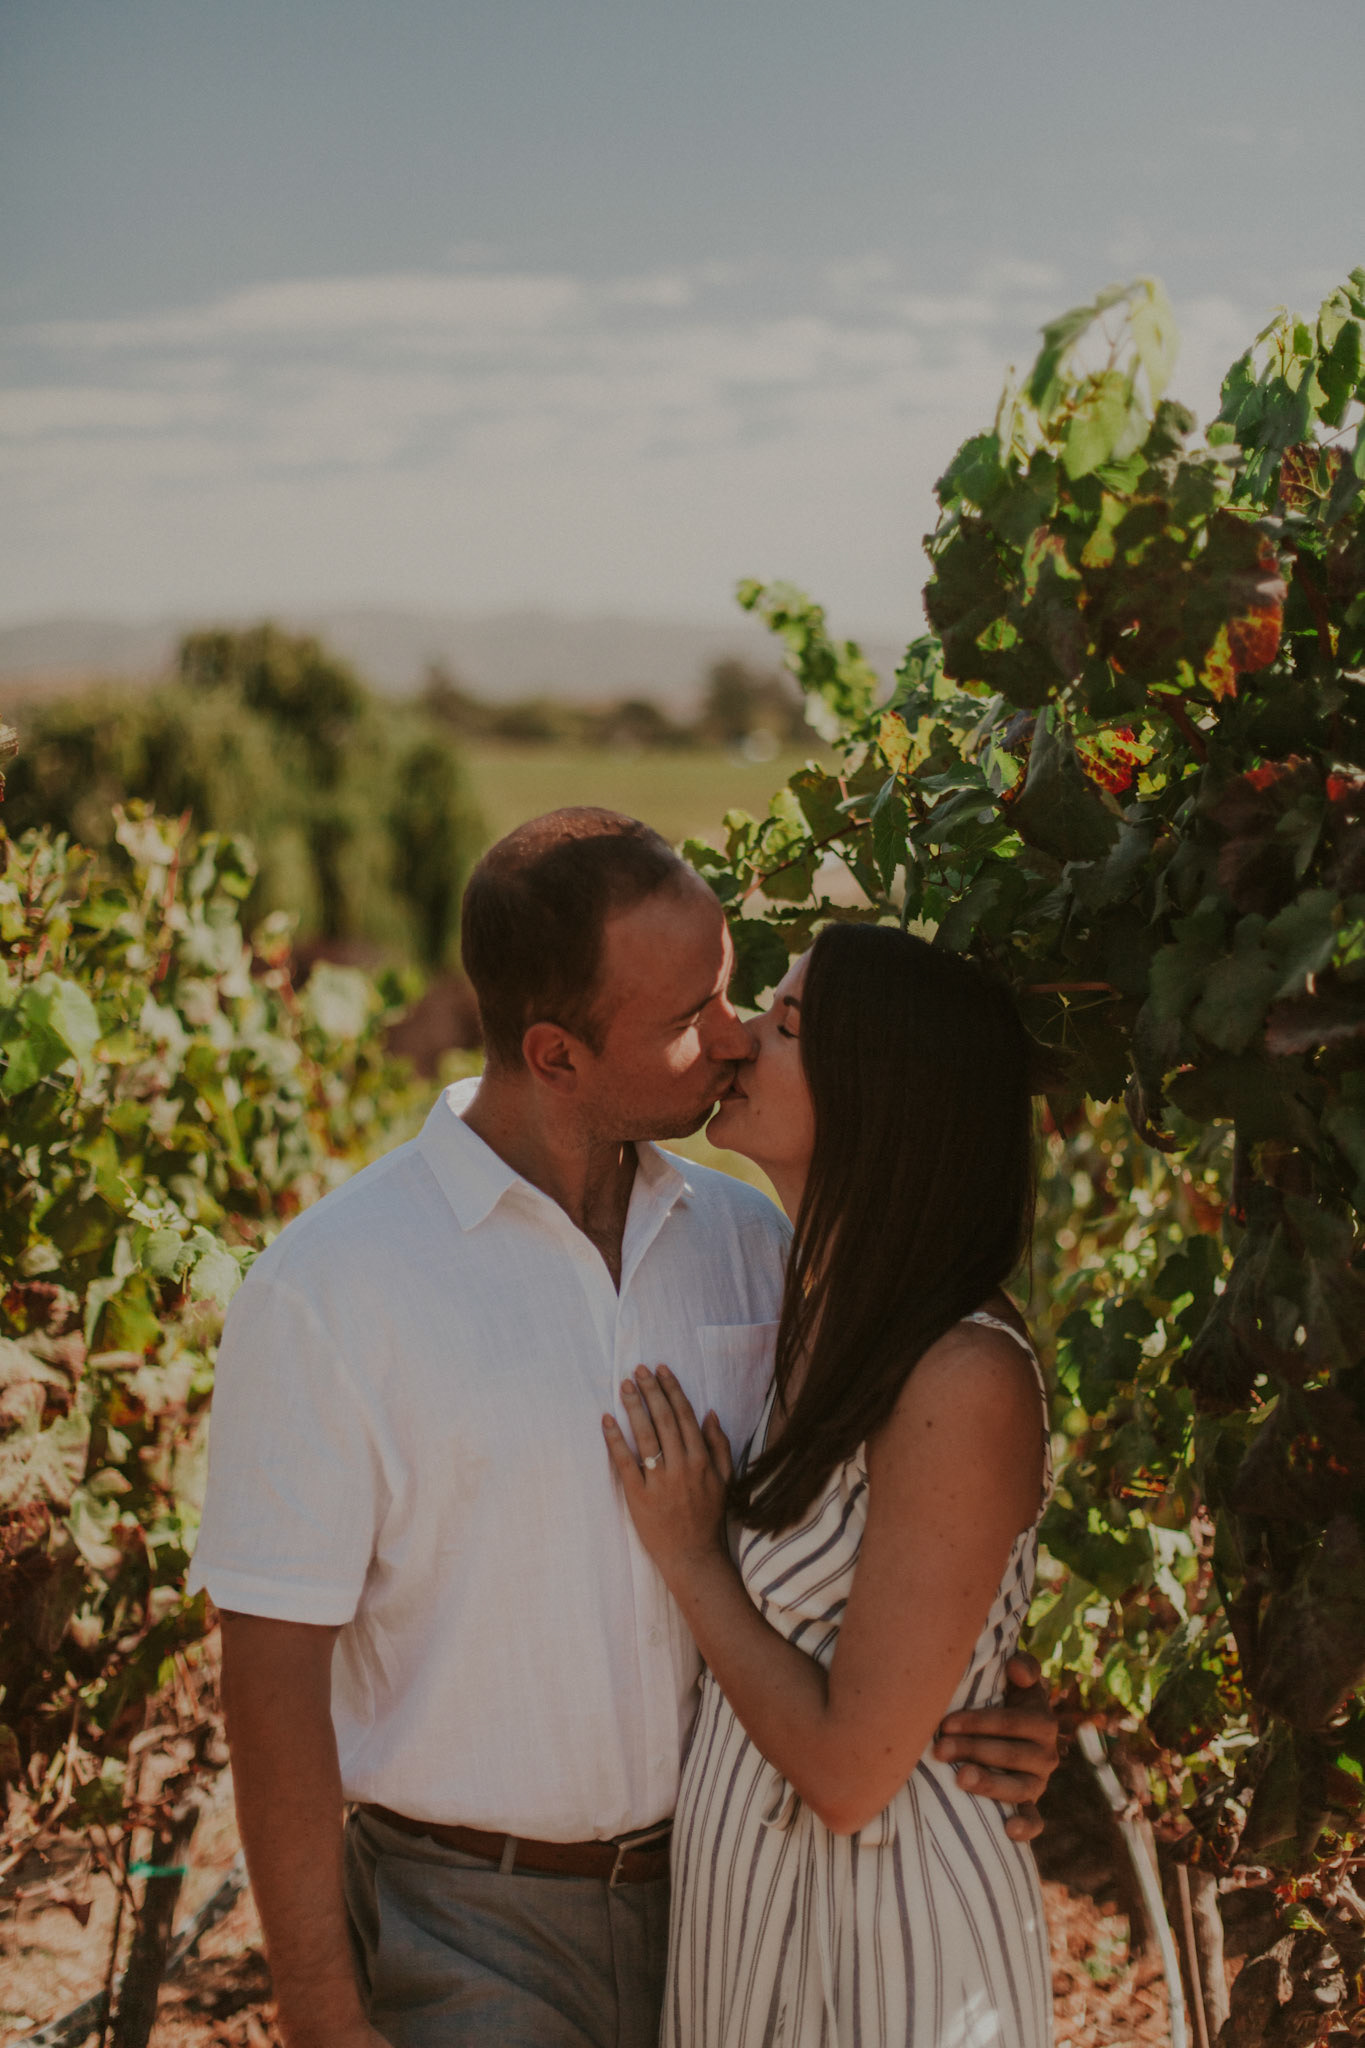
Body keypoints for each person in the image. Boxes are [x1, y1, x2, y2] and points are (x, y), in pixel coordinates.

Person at [189, 809, 1060, 2048]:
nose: (729, 1037)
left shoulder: (758, 1246)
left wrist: (986, 1705)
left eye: (732, 991)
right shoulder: (332, 1287)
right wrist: (321, 2006)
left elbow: (886, 1551)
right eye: (684, 1020)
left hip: (746, 1906)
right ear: (555, 1054)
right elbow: (269, 1675)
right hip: (471, 1922)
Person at [605, 925, 1054, 2047]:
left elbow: (854, 1772)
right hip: (768, 1929)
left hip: (888, 1950)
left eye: (788, 1023)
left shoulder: (964, 1373)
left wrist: (694, 1557)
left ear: (881, 1095)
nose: (741, 1038)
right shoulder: (821, 1315)